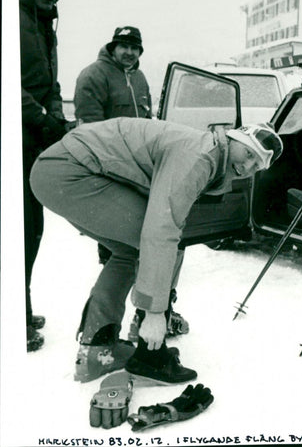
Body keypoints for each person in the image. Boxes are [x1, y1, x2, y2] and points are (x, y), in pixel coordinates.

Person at [30, 119, 283, 383]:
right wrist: (154, 313)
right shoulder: (200, 156)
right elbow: (161, 229)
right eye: (249, 154)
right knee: (156, 240)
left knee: (133, 250)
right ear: (234, 139)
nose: (247, 166)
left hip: (61, 169)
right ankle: (147, 347)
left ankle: (99, 348)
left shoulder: (210, 152)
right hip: (68, 171)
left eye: (258, 165)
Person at [18, 0, 73, 352]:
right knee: (18, 230)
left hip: (33, 137)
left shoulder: (44, 27)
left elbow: (52, 83)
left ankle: (19, 304)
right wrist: (39, 115)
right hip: (17, 136)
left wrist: (54, 111)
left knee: (30, 228)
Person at [74, 25, 153, 269]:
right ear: (113, 48)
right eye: (124, 46)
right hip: (109, 160)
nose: (129, 52)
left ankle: (132, 262)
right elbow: (90, 126)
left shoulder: (139, 77)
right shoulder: (93, 75)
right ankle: (110, 263)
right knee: (111, 217)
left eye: (134, 48)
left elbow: (147, 118)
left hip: (137, 158)